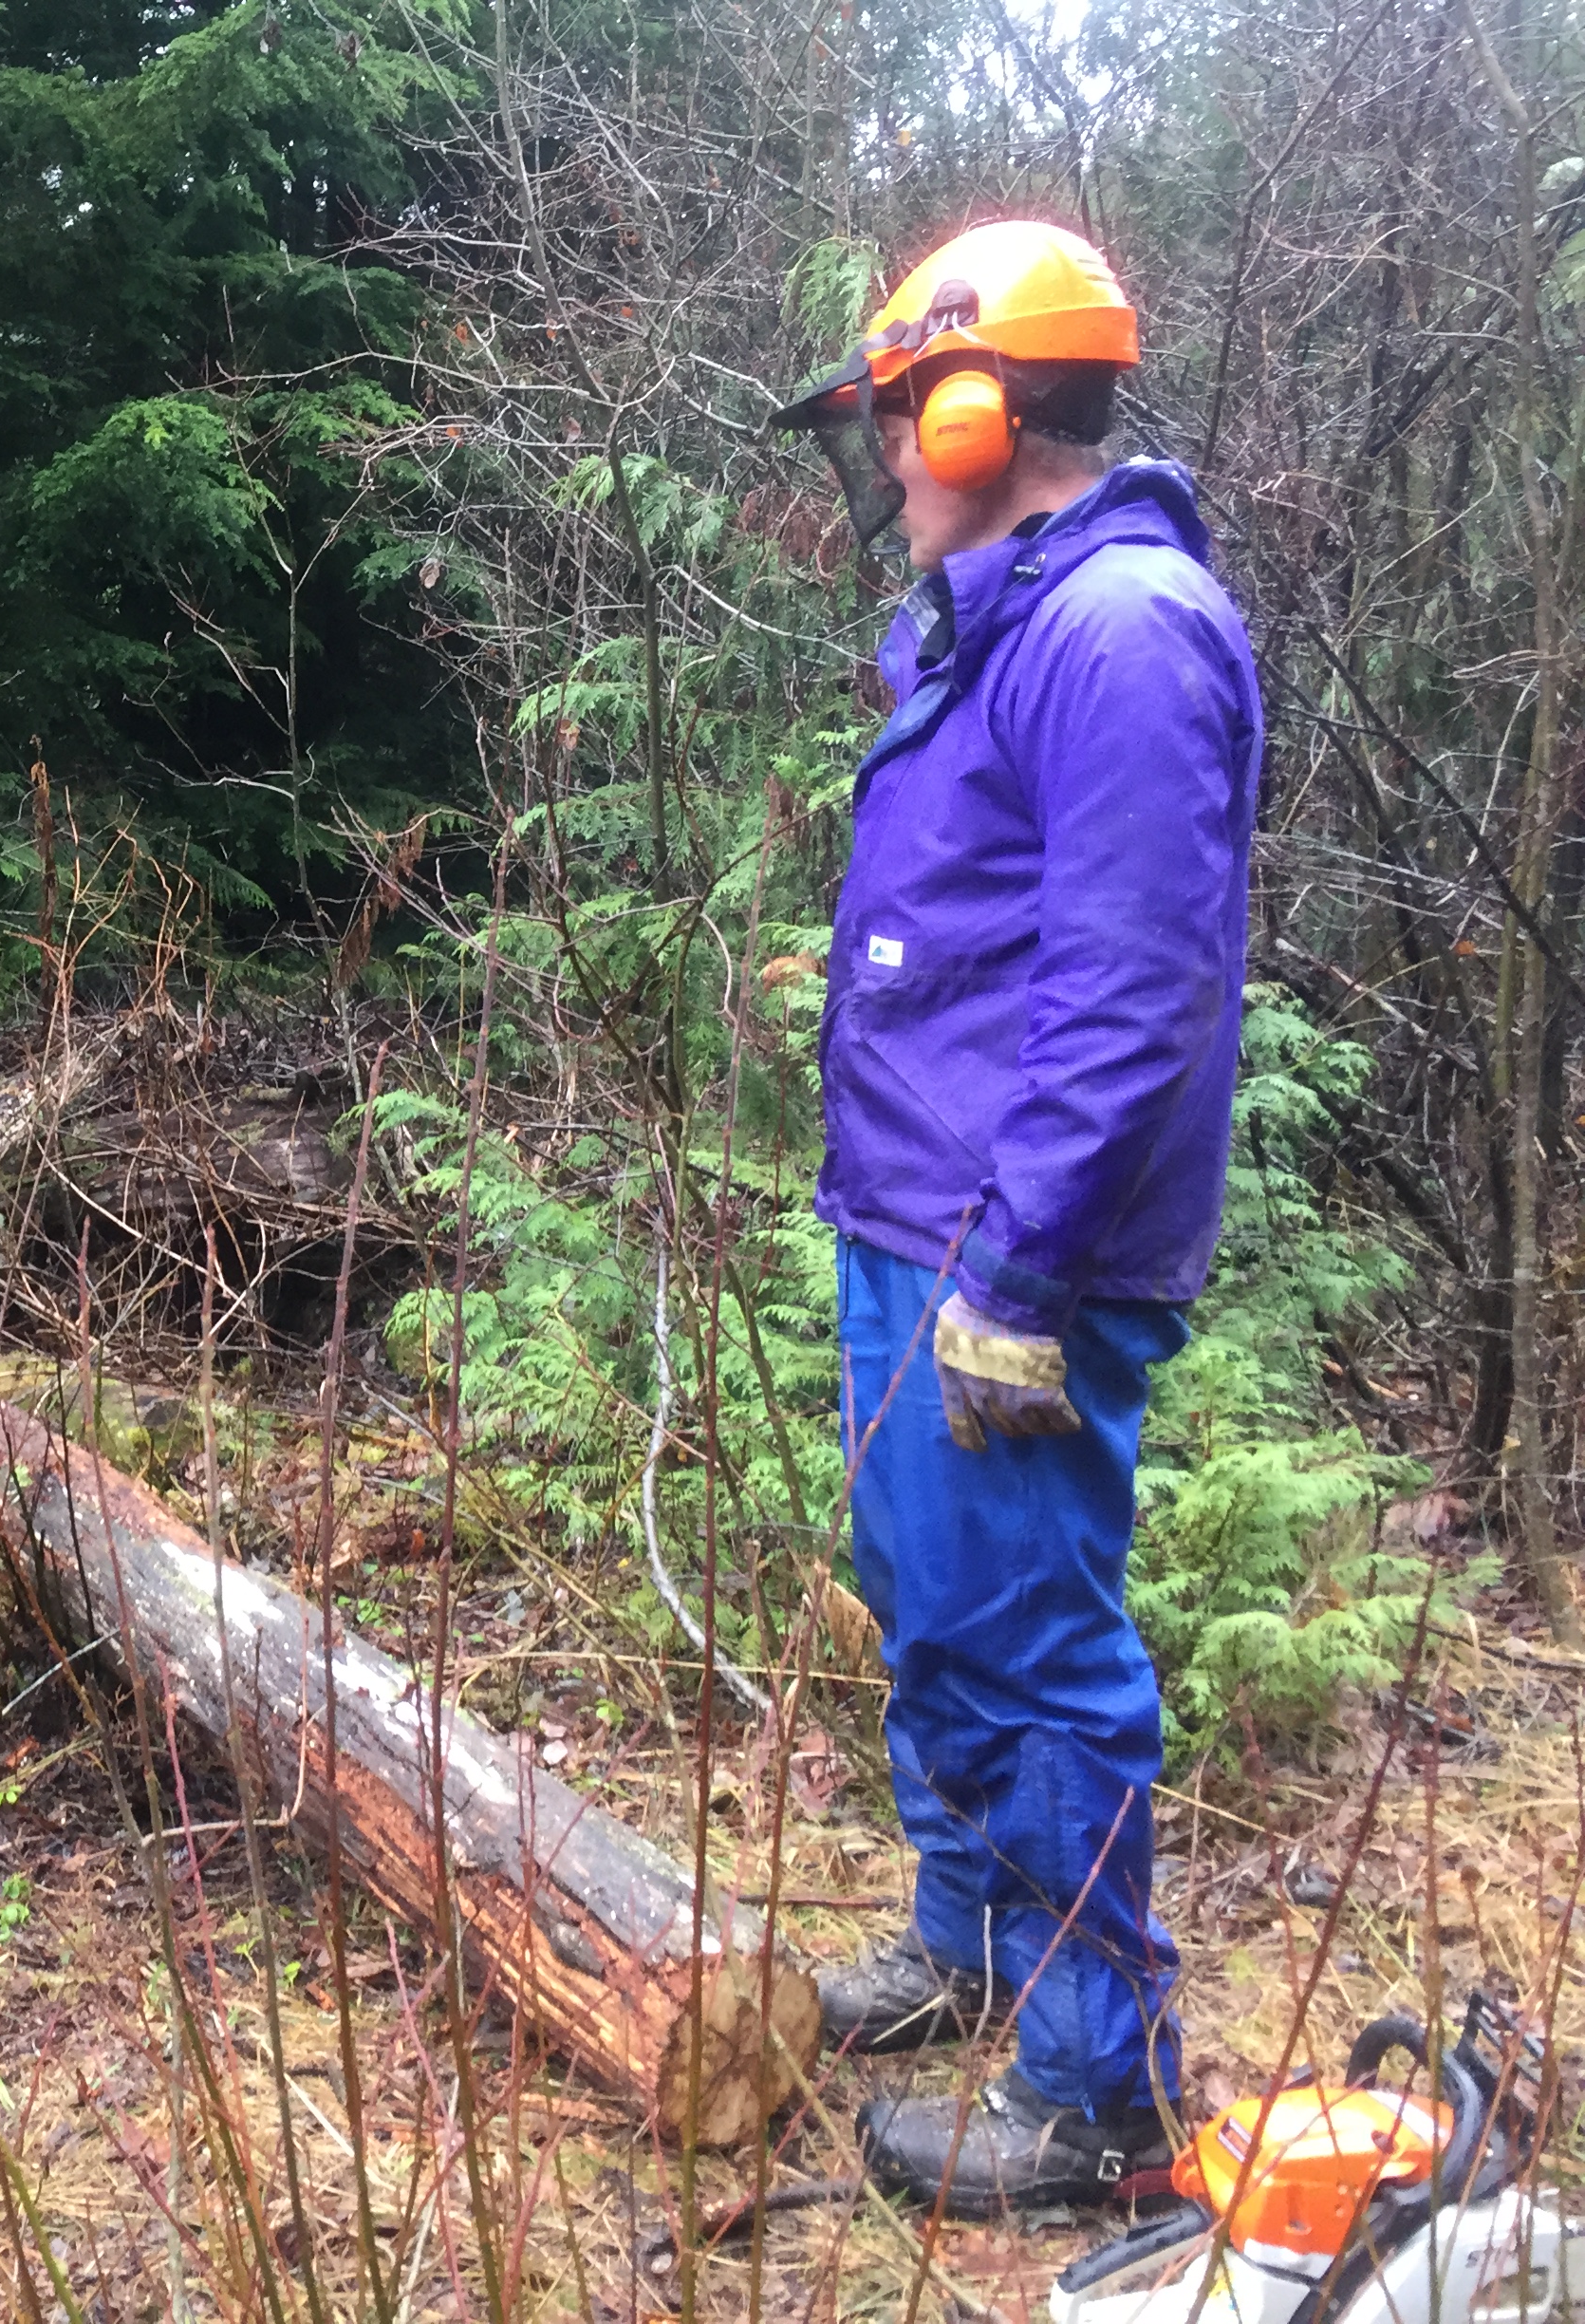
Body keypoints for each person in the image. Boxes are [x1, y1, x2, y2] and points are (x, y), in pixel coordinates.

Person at [769, 220, 1262, 2211]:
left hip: (1009, 1248)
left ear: (976, 410)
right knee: (929, 1593)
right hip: (919, 1204)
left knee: (1035, 1638)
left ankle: (1098, 2089)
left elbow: (1135, 987)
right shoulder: (1001, 621)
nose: (887, 463)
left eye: (898, 423)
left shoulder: (1120, 629)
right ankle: (971, 1933)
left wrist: (1025, 1273)